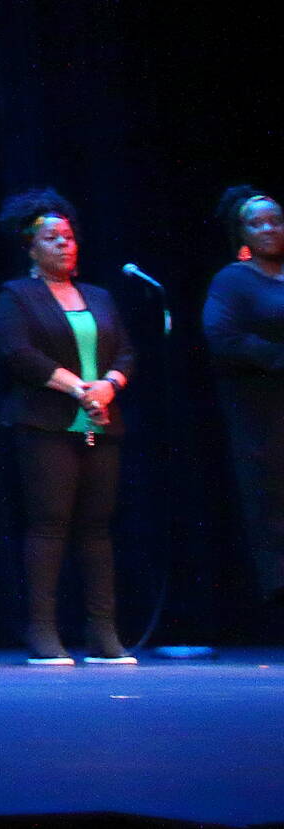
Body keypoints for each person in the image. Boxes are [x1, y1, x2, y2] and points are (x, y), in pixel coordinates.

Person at [0, 189, 136, 664]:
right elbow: (18, 352)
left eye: (68, 237)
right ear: (31, 248)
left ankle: (103, 632)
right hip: (45, 424)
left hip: (101, 423)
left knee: (97, 529)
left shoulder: (99, 296)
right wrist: (78, 388)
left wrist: (109, 385)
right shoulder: (19, 295)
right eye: (51, 239)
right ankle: (43, 631)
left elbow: (126, 351)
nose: (63, 245)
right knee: (50, 525)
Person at [203, 186, 284, 608]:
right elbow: (223, 336)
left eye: (276, 220)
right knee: (274, 503)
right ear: (242, 233)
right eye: (258, 222)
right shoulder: (233, 280)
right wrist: (275, 357)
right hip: (264, 412)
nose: (269, 228)